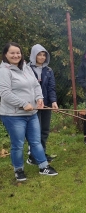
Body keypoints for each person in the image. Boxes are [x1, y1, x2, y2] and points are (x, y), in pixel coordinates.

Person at [0, 42, 58, 181]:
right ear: (5, 54)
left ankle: (43, 166)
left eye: (18, 52)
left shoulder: (25, 67)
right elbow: (5, 93)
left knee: (36, 141)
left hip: (31, 114)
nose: (16, 55)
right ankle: (18, 170)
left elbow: (36, 85)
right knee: (18, 144)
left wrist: (39, 98)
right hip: (13, 115)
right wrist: (23, 103)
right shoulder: (4, 71)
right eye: (12, 53)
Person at [27, 44, 58, 165]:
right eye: (39, 54)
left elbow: (51, 88)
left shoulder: (48, 70)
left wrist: (53, 101)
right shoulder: (27, 69)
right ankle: (32, 156)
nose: (42, 57)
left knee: (44, 130)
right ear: (34, 55)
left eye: (44, 55)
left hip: (46, 104)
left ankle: (42, 153)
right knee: (35, 131)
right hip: (32, 105)